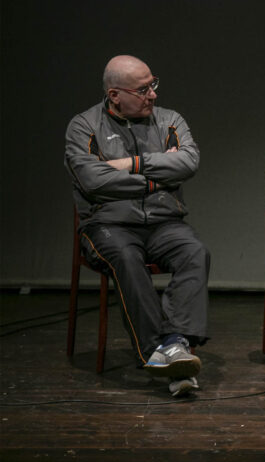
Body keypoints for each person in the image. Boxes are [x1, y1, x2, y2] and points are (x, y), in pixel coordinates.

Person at [65, 55, 209, 397]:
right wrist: (153, 182)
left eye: (153, 85)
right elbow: (92, 180)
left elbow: (188, 162)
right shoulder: (84, 126)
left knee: (194, 252)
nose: (153, 95)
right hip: (108, 223)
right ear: (115, 95)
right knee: (126, 259)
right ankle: (157, 352)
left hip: (163, 222)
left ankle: (174, 343)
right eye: (143, 89)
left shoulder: (170, 120)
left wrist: (133, 164)